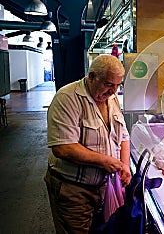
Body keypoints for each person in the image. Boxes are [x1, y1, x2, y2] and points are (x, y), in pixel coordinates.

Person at [44, 55, 132, 233]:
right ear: (91, 77)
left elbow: (123, 135)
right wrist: (105, 161)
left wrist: (125, 165)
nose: (114, 91)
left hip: (104, 187)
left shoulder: (111, 98)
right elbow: (63, 147)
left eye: (117, 85)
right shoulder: (67, 98)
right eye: (109, 84)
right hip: (74, 190)